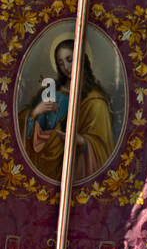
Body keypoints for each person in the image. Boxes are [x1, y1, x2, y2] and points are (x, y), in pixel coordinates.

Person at [19, 38, 115, 182]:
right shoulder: (52, 93)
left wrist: (81, 140)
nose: (66, 67)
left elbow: (102, 145)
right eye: (61, 63)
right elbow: (28, 135)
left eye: (69, 59)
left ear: (81, 59)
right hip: (45, 166)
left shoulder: (95, 101)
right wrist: (34, 113)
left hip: (75, 166)